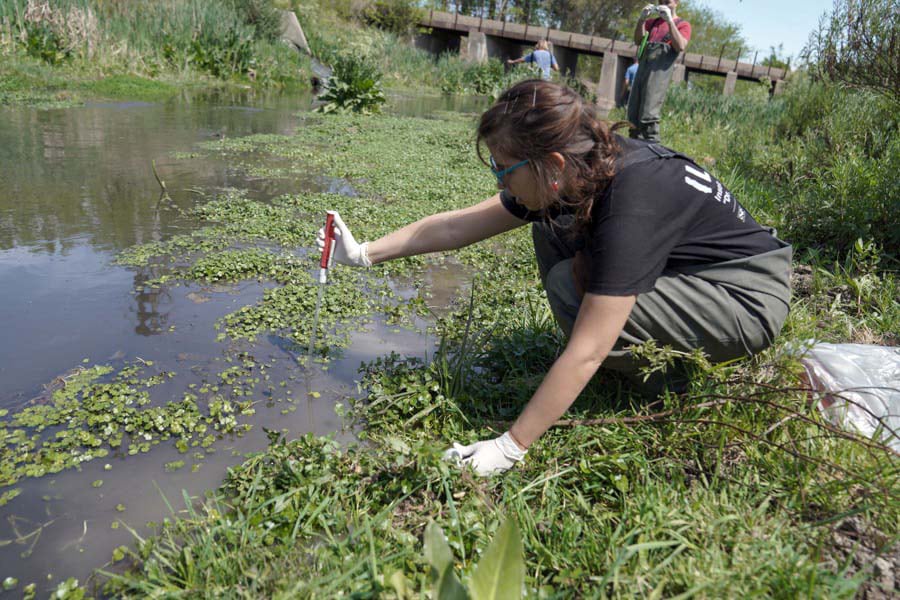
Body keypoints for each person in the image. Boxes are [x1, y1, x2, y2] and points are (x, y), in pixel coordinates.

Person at [318, 80, 792, 477]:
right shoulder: (580, 165)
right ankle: (635, 351)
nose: (499, 182)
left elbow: (587, 349)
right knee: (553, 233)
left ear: (553, 165)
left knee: (572, 288)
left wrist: (510, 445)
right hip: (695, 273)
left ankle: (666, 384)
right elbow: (456, 225)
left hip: (745, 296)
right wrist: (362, 254)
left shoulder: (632, 201)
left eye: (504, 169)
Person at [628, 1, 691, 141]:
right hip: (642, 71)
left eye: (667, 1)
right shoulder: (652, 23)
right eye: (661, 1)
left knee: (648, 115)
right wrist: (641, 20)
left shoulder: (682, 25)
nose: (663, 3)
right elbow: (638, 40)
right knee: (633, 114)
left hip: (659, 75)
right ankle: (633, 147)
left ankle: (652, 149)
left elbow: (680, 46)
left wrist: (670, 22)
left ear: (676, 2)